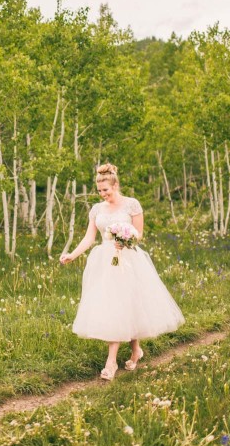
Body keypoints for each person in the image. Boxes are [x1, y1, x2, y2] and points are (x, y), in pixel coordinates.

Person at [59, 163, 185, 380]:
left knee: (127, 304)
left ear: (115, 185)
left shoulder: (132, 205)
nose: (103, 194)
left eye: (106, 190)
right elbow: (89, 238)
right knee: (115, 306)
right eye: (99, 191)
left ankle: (111, 362)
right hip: (104, 262)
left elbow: (139, 234)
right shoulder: (97, 209)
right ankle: (135, 350)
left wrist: (125, 240)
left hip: (128, 259)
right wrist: (73, 254)